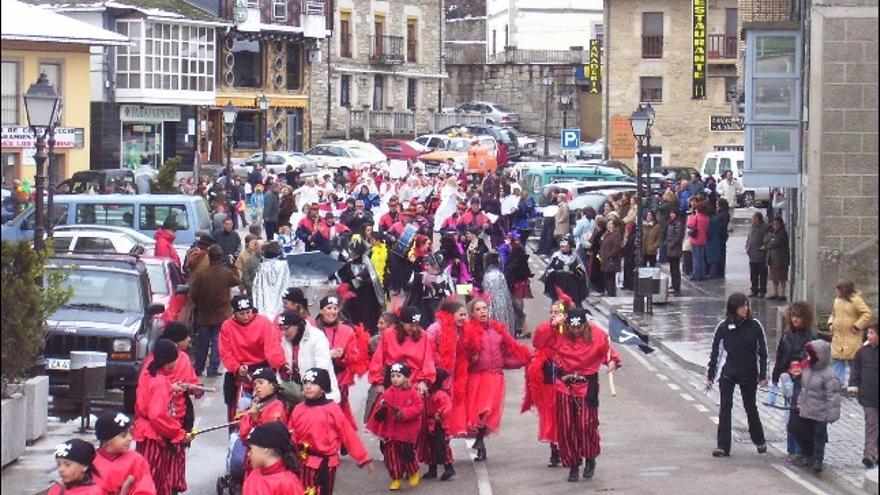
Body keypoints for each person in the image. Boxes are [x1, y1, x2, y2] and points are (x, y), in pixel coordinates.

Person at [535, 308, 620, 482]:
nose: (575, 331)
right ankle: (573, 465)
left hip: (587, 385)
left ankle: (590, 458)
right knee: (567, 427)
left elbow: (609, 353)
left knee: (586, 425)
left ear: (584, 325)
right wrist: (550, 325)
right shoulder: (558, 333)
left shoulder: (597, 334)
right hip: (564, 385)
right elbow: (538, 341)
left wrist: (613, 362)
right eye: (572, 328)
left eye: (579, 328)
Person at [457, 299, 532, 461]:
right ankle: (479, 441)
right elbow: (462, 356)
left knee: (488, 411)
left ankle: (480, 441)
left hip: (496, 377)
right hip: (476, 377)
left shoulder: (498, 330)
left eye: (484, 308)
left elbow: (508, 353)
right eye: (478, 309)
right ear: (473, 313)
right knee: (480, 413)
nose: (483, 312)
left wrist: (524, 360)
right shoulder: (468, 331)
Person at [287, 368, 373, 495]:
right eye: (305, 383)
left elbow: (348, 434)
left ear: (323, 388)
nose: (308, 387)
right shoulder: (298, 409)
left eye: (313, 384)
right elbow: (291, 432)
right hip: (304, 461)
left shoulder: (332, 409)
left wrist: (363, 457)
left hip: (326, 463)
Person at [706, 293, 768, 458]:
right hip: (729, 373)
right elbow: (716, 353)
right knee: (725, 408)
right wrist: (711, 375)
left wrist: (763, 375)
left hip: (748, 372)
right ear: (734, 308)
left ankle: (759, 439)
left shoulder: (755, 326)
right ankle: (723, 446)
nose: (746, 309)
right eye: (742, 306)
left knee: (750, 407)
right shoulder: (723, 327)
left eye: (747, 306)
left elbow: (763, 352)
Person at [522, 295, 572, 468]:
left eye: (557, 312)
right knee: (550, 412)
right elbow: (537, 342)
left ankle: (566, 448)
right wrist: (552, 327)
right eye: (551, 312)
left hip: (566, 372)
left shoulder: (571, 329)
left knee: (566, 412)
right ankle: (554, 449)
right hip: (549, 374)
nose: (553, 315)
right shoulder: (546, 328)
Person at [219, 295, 288, 422]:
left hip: (263, 370)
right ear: (234, 313)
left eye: (248, 312)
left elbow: (272, 347)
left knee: (269, 407)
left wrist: (281, 365)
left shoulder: (263, 322)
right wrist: (237, 368)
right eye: (241, 313)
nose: (245, 317)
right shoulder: (227, 326)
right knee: (238, 411)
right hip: (239, 374)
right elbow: (226, 353)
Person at [133, 339, 188, 495]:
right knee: (154, 481)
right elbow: (157, 415)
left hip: (145, 433)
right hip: (154, 437)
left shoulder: (149, 375)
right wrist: (177, 432)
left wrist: (170, 389)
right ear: (169, 362)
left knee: (146, 477)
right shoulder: (160, 382)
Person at [366, 362, 425, 491]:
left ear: (405, 378)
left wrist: (404, 413)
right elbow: (382, 407)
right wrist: (380, 414)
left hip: (406, 432)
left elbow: (418, 408)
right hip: (391, 432)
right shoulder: (387, 393)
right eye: (392, 376)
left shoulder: (412, 393)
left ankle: (413, 472)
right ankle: (396, 478)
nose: (395, 379)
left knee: (407, 455)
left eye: (398, 376)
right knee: (392, 458)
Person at [314, 295, 369, 429]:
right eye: (329, 308)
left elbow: (354, 357)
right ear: (321, 310)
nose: (333, 312)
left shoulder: (347, 330)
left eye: (335, 308)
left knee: (338, 410)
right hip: (316, 376)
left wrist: (342, 355)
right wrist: (328, 354)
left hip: (339, 378)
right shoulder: (312, 329)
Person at [189, 245, 241, 377]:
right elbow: (237, 280)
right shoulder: (226, 273)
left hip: (204, 314)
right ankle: (213, 368)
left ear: (209, 257)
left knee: (202, 343)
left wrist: (199, 305)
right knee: (218, 342)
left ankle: (199, 367)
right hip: (222, 314)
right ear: (221, 257)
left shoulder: (202, 274)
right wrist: (233, 265)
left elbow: (193, 294)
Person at [791, 339, 841, 473]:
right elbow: (804, 389)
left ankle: (818, 459)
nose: (807, 357)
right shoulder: (807, 369)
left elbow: (833, 396)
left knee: (819, 435)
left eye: (809, 355)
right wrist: (800, 403)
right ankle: (809, 454)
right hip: (808, 409)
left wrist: (831, 415)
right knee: (800, 430)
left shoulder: (829, 374)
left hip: (821, 412)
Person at [232, 367, 290, 481]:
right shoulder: (256, 405)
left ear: (273, 385)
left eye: (261, 382)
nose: (257, 387)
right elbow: (243, 435)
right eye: (254, 384)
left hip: (267, 462)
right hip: (253, 458)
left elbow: (270, 439)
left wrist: (256, 418)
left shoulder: (277, 406)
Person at [278, 309, 341, 402]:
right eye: (281, 329)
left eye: (286, 328)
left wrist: (310, 389)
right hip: (299, 392)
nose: (283, 333)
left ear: (298, 325)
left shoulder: (316, 337)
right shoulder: (286, 339)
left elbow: (323, 368)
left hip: (320, 394)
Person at [92, 411, 156, 495]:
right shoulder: (92, 461)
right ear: (106, 440)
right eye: (123, 435)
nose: (130, 438)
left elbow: (146, 490)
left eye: (130, 433)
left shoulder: (137, 460)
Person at [330, 241, 385, 334]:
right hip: (354, 299)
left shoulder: (368, 265)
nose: (351, 252)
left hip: (367, 298)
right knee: (353, 318)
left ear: (357, 253)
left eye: (353, 251)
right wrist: (328, 278)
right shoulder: (350, 264)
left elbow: (371, 279)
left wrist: (359, 281)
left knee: (366, 321)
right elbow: (339, 273)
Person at [769, 302, 816, 408]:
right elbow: (780, 356)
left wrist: (796, 362)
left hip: (802, 378)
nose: (795, 319)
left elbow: (809, 358)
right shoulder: (787, 334)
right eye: (793, 316)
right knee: (788, 406)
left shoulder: (811, 336)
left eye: (798, 317)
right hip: (787, 376)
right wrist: (775, 378)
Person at [827, 279, 873, 386]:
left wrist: (857, 326)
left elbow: (867, 313)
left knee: (854, 362)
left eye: (839, 289)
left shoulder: (856, 300)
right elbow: (833, 314)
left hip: (852, 336)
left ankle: (854, 386)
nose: (837, 292)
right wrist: (830, 324)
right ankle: (837, 385)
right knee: (837, 361)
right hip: (838, 337)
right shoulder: (837, 300)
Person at [242, 422, 305, 495]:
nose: (249, 454)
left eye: (251, 449)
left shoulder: (289, 483)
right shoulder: (253, 476)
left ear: (265, 449)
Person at [848, 321, 878, 469]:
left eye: (872, 333)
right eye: (869, 333)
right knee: (871, 424)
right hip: (868, 395)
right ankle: (869, 454)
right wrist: (853, 385)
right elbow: (856, 370)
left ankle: (876, 452)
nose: (869, 335)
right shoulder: (862, 352)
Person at [502, 232, 533, 337]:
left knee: (517, 306)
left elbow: (512, 269)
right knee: (519, 304)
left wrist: (507, 276)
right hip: (522, 281)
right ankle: (519, 327)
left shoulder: (515, 255)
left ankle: (523, 328)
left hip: (516, 283)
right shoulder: (520, 253)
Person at [252, 241, 292, 318]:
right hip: (281, 304)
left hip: (264, 306)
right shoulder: (284, 266)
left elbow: (256, 288)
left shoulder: (261, 267)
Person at [481, 252, 517, 336]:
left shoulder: (488, 275)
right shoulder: (500, 273)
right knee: (505, 322)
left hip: (493, 304)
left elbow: (487, 291)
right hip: (504, 302)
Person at [763, 217, 790, 301]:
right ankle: (775, 293)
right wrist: (770, 239)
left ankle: (782, 294)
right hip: (772, 259)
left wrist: (768, 243)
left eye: (776, 224)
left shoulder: (782, 233)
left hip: (780, 259)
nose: (775, 226)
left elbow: (774, 243)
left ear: (781, 224)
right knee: (774, 277)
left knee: (782, 277)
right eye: (774, 224)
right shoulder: (773, 233)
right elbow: (765, 239)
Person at [745, 212, 771, 298]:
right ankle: (754, 290)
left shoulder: (765, 227)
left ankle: (762, 291)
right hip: (752, 255)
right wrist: (747, 247)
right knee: (753, 274)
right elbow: (749, 238)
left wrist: (765, 246)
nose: (751, 220)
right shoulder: (752, 227)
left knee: (762, 274)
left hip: (761, 255)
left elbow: (770, 237)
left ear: (757, 219)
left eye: (753, 218)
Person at [599, 219, 623, 297]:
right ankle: (609, 292)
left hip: (611, 260)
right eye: (608, 224)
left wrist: (610, 255)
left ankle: (612, 293)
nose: (608, 225)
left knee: (610, 278)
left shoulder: (616, 235)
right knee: (606, 277)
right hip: (605, 259)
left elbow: (616, 247)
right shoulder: (607, 234)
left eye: (610, 224)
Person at [687, 200, 710, 281]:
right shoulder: (706, 218)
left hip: (696, 239)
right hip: (703, 239)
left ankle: (696, 275)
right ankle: (702, 274)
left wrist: (692, 215)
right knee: (701, 258)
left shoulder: (696, 217)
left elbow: (689, 225)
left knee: (696, 258)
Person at [665, 210, 684, 293]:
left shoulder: (677, 223)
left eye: (673, 213)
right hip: (670, 248)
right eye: (671, 213)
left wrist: (671, 244)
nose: (671, 214)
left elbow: (678, 236)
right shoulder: (671, 223)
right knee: (672, 268)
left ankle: (676, 286)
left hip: (674, 249)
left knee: (675, 268)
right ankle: (673, 284)